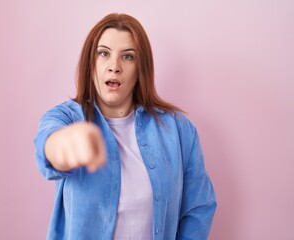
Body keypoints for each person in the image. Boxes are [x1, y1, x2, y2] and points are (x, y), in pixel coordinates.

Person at [34, 13, 216, 240]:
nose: (114, 67)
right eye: (103, 54)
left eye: (128, 57)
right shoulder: (67, 118)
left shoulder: (179, 130)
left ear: (141, 69)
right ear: (91, 63)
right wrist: (62, 144)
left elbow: (199, 207)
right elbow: (49, 145)